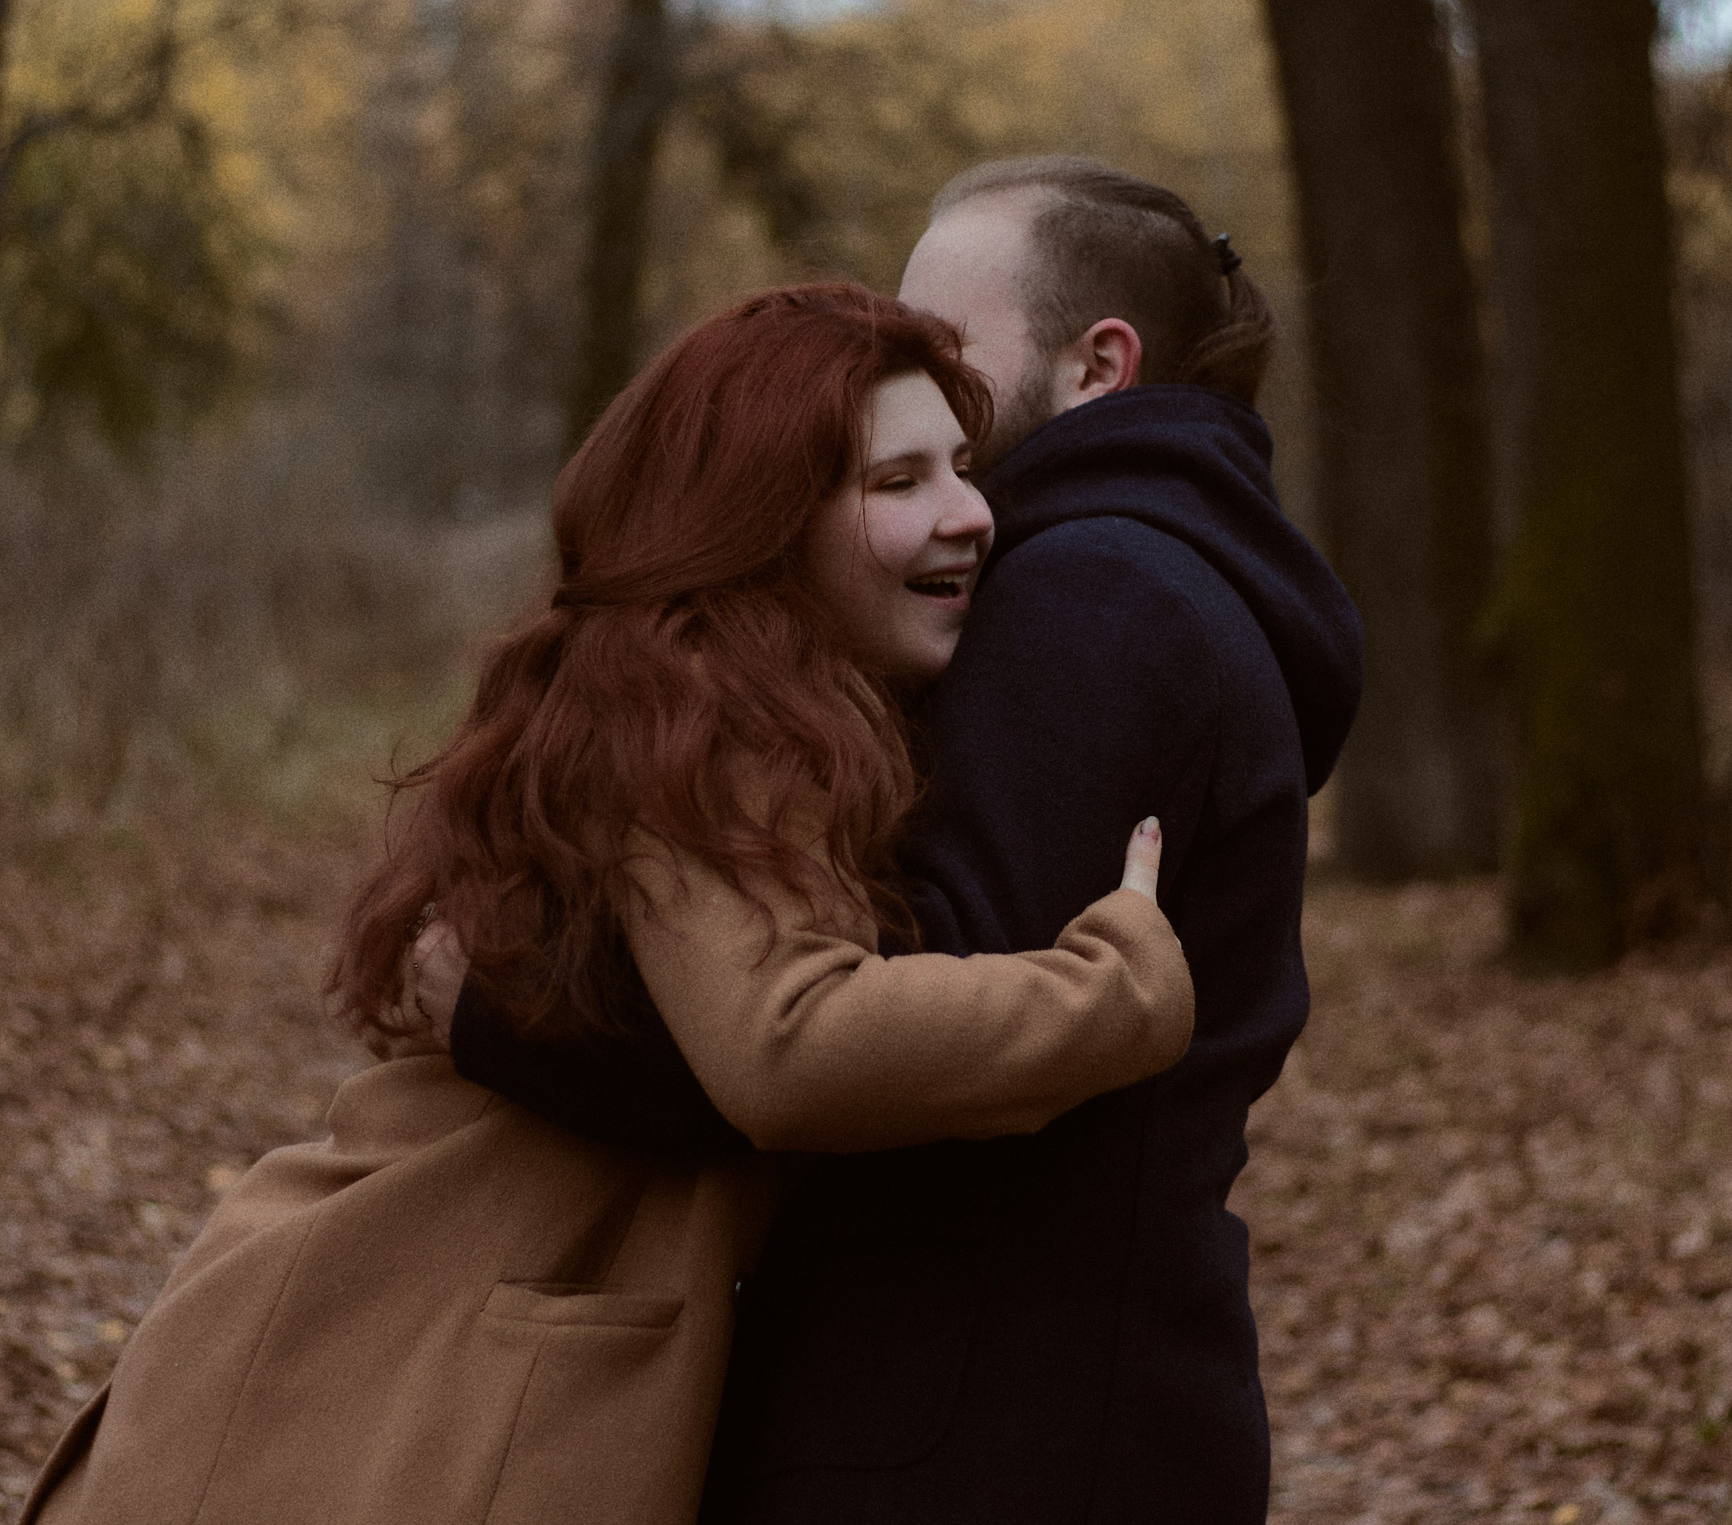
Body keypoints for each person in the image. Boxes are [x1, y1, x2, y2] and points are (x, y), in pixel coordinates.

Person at [14, 284, 1199, 1525]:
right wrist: (1116, 985)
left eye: (960, 467)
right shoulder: (714, 714)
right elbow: (792, 1047)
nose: (971, 514)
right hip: (405, 1361)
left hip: (406, 1334)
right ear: (765, 520)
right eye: (897, 483)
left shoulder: (718, 696)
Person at [447, 157, 1364, 1523]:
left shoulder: (1091, 592)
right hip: (1042, 1404)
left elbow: (870, 1022)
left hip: (982, 1430)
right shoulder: (1159, 570)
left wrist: (493, 1005)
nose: (909, 357)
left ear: (1098, 363)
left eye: (948, 339)